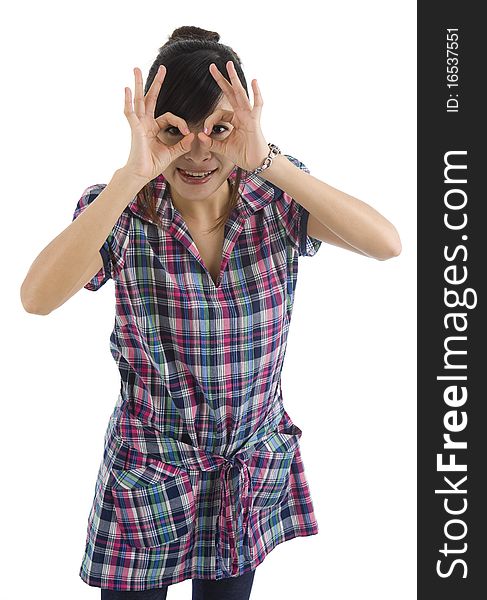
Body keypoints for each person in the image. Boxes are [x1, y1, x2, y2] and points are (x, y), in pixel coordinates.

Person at [20, 25, 401, 599]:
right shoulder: (123, 213)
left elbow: (387, 243)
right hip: (151, 470)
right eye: (176, 131)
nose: (198, 152)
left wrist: (267, 160)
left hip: (244, 472)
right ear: (151, 131)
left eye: (219, 130)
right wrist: (129, 178)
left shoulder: (273, 199)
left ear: (243, 125)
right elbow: (36, 298)